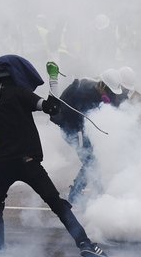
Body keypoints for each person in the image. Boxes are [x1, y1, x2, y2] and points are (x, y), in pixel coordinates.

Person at [0, 54, 107, 257]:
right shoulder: (22, 94)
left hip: (1, 165)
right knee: (57, 204)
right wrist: (54, 80)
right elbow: (53, 108)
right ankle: (85, 244)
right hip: (28, 162)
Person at [50, 68, 124, 203]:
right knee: (90, 162)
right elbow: (66, 115)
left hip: (84, 130)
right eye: (109, 91)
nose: (110, 94)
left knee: (93, 161)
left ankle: (97, 192)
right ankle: (77, 194)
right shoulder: (80, 92)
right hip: (72, 129)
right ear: (102, 85)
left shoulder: (99, 91)